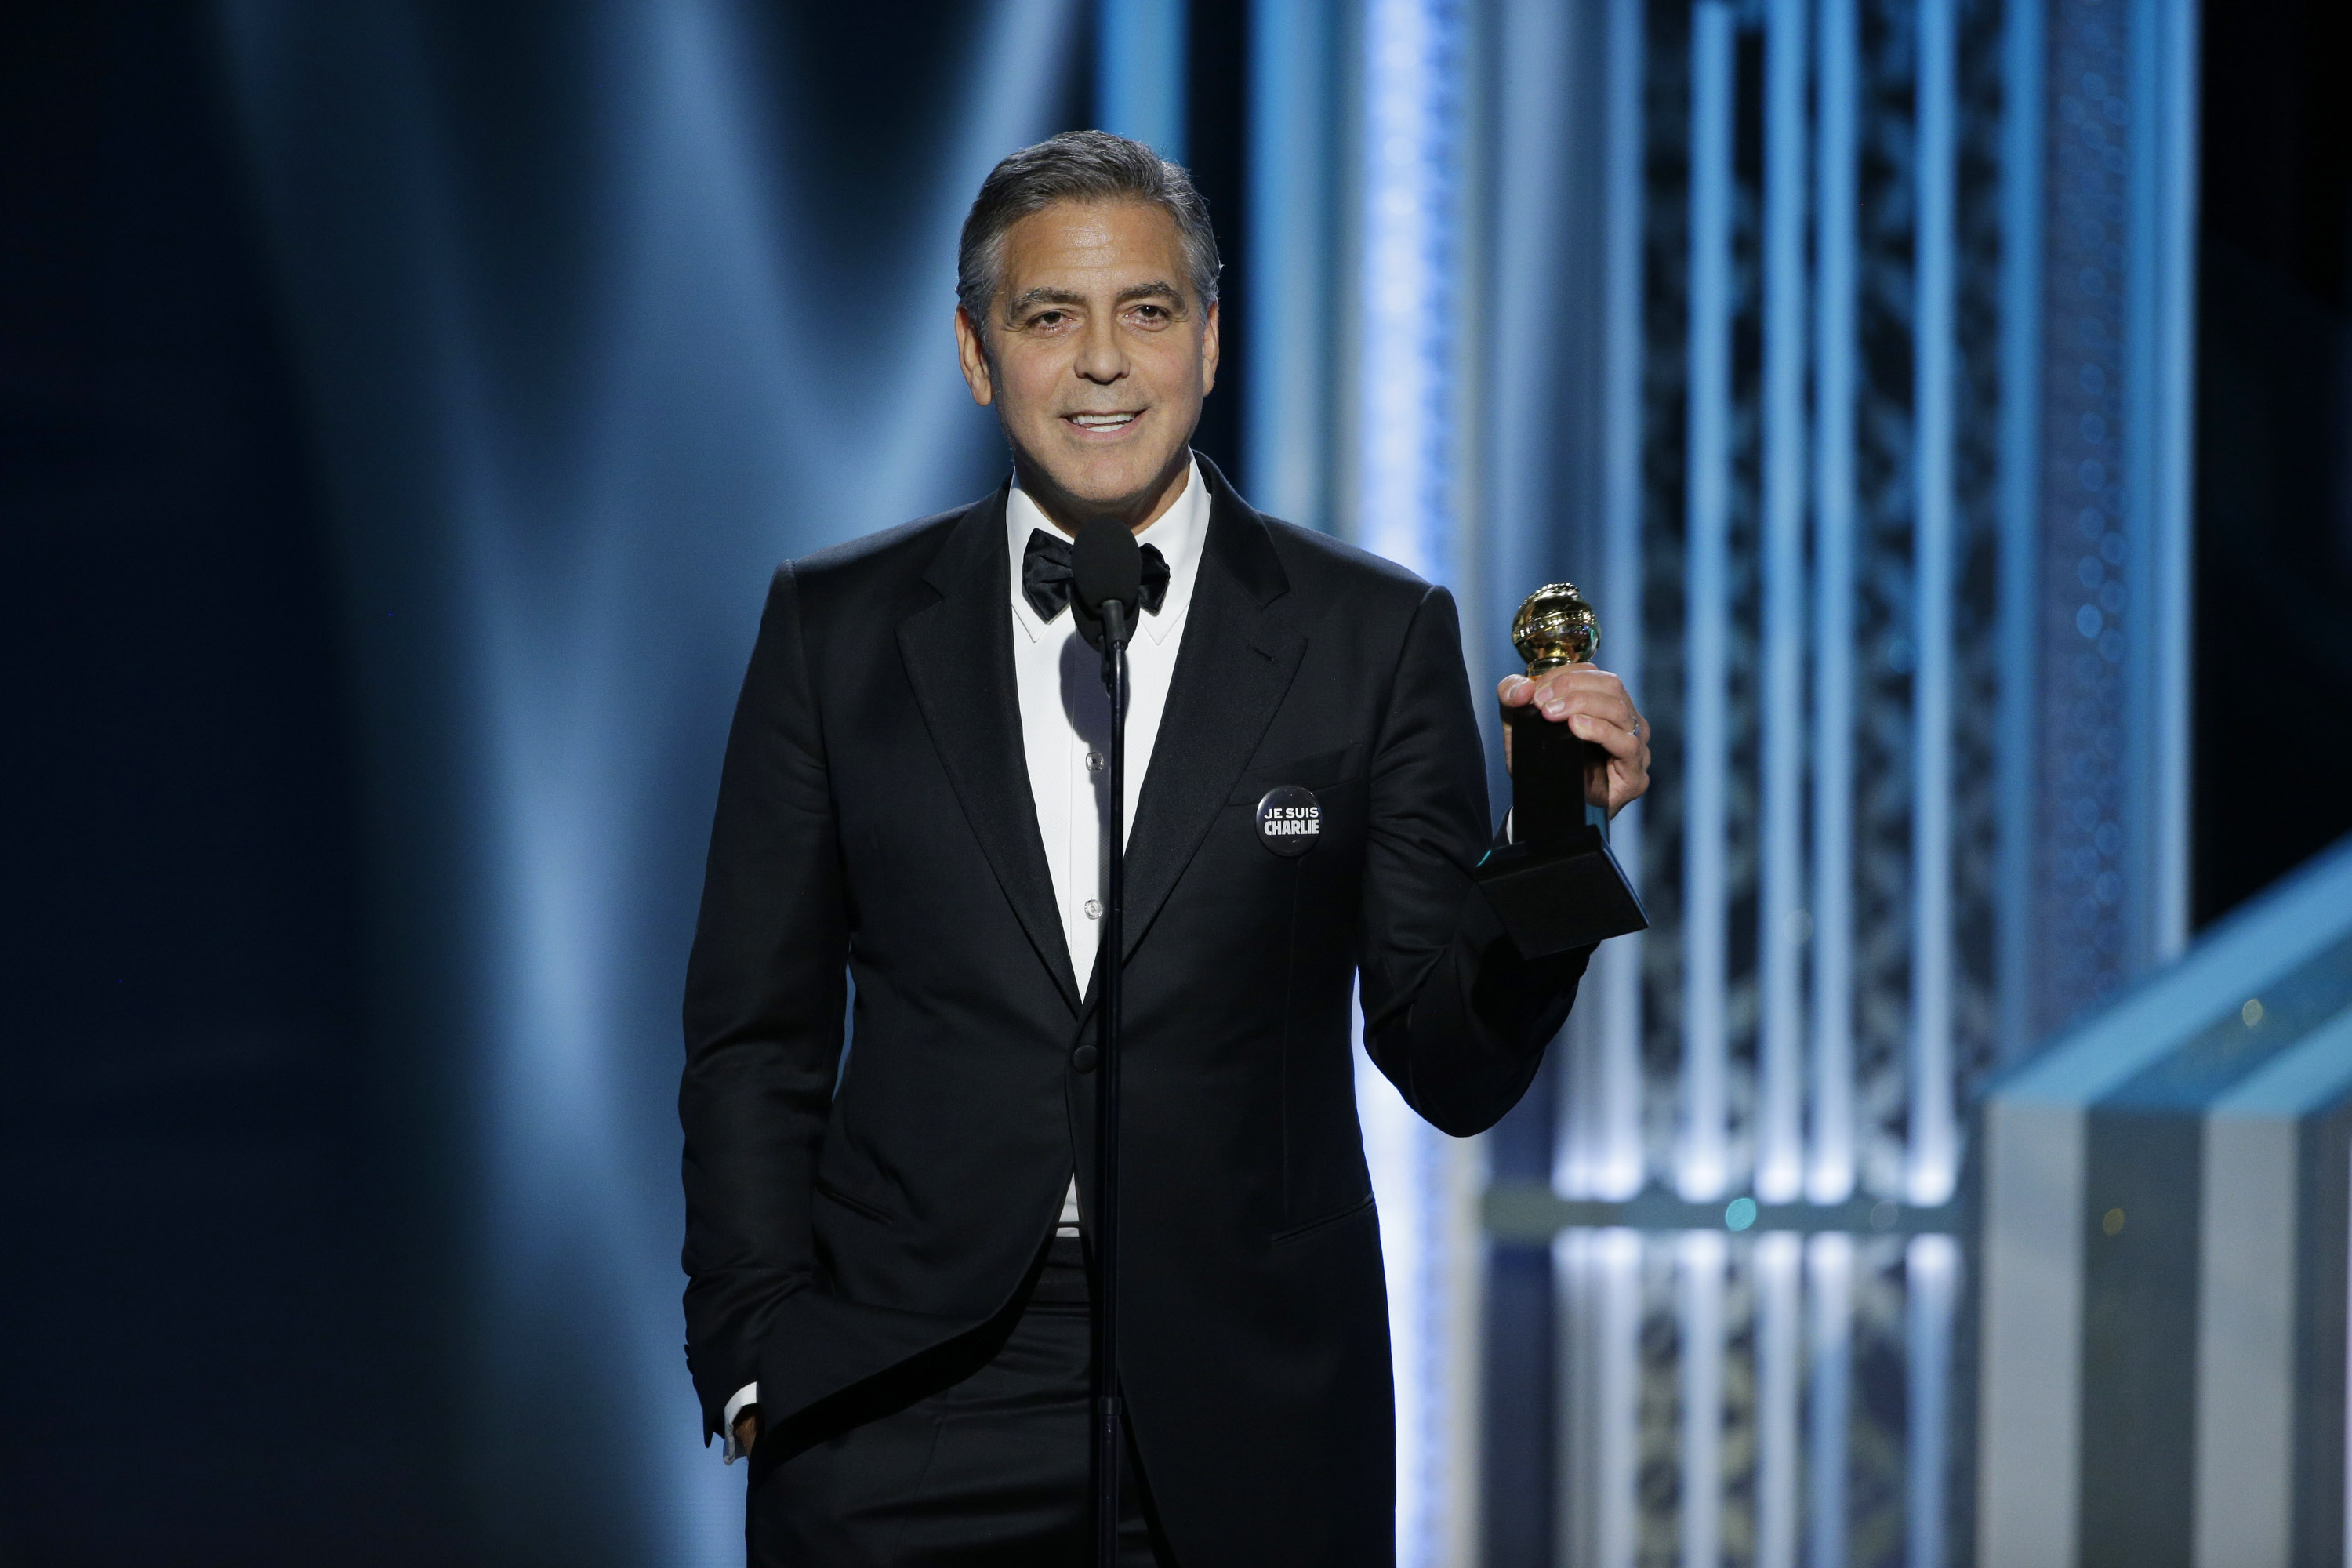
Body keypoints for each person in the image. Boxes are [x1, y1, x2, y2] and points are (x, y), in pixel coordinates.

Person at [679, 129, 1650, 1567]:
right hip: (904, 1391)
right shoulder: (837, 632)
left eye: (1143, 311)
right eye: (1047, 316)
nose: (1102, 364)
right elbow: (753, 1034)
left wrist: (1549, 852)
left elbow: (1447, 1064)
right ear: (973, 352)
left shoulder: (1368, 638)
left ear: (1207, 338)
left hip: (1250, 1394)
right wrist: (759, 1359)